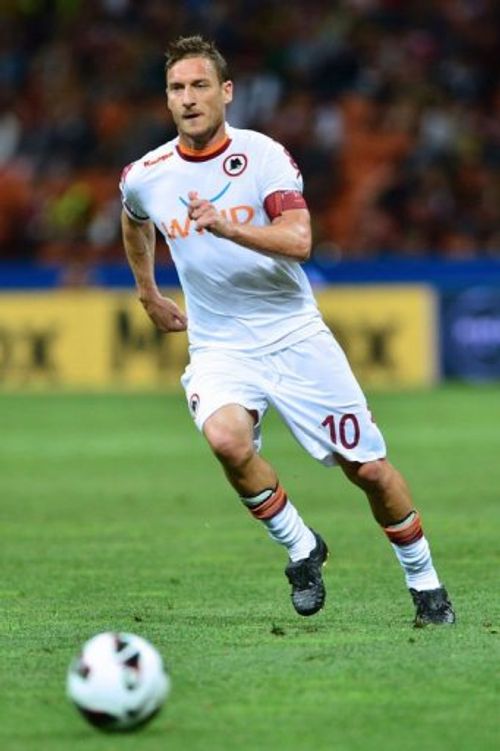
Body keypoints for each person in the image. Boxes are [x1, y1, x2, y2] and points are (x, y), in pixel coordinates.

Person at [120, 35, 455, 627]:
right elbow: (133, 217)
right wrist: (147, 291)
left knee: (370, 471)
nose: (189, 98)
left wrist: (227, 227)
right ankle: (302, 547)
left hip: (295, 335)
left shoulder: (263, 156)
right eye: (177, 87)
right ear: (167, 99)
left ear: (226, 93)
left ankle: (426, 583)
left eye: (201, 86)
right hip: (220, 344)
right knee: (226, 440)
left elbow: (300, 241)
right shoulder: (147, 173)